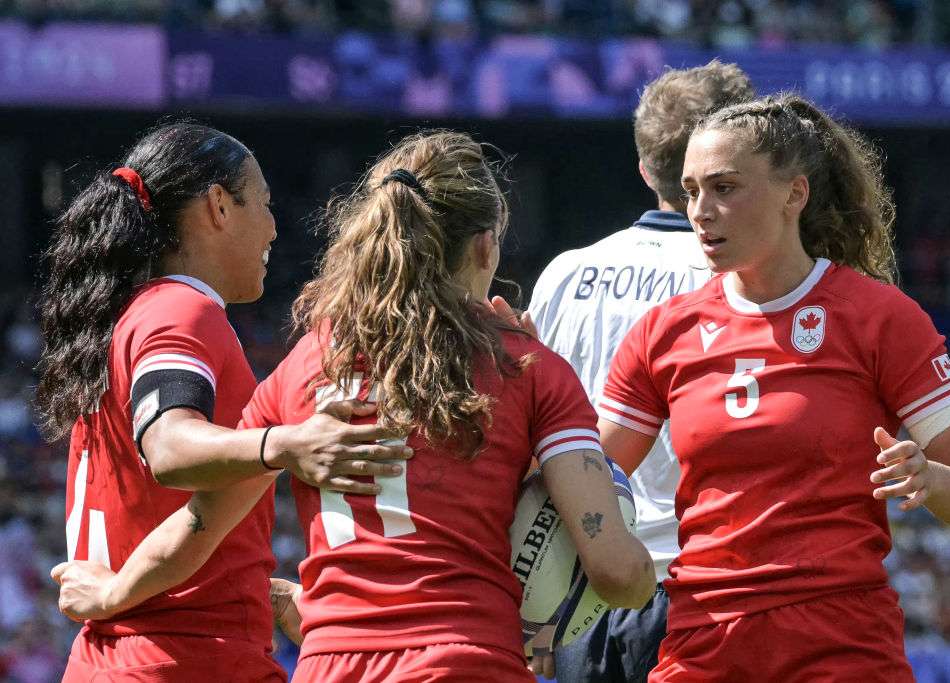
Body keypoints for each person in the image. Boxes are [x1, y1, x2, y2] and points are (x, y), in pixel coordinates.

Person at [50, 130, 656, 682]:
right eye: (264, 202)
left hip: (328, 665)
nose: (273, 224)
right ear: (485, 246)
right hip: (464, 659)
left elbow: (198, 524)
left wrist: (114, 594)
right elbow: (618, 574)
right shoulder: (528, 368)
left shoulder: (305, 363)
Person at [596, 93, 950, 681]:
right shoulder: (663, 331)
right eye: (690, 191)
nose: (701, 211)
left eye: (724, 188)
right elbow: (589, 476)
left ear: (794, 195)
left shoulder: (879, 318)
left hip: (842, 648)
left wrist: (931, 478)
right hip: (702, 642)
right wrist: (527, 388)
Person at [37, 122, 411, 681]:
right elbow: (169, 445)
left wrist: (260, 592)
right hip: (185, 659)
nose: (274, 227)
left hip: (126, 657)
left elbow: (158, 518)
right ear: (218, 206)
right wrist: (284, 445)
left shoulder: (131, 316)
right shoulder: (180, 310)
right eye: (264, 203)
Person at [526, 60, 753, 682]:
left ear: (644, 169)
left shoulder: (565, 273)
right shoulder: (743, 281)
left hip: (586, 586)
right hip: (706, 585)